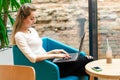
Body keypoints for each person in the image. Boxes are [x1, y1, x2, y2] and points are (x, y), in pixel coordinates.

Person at [11, 3, 93, 78]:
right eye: (31, 19)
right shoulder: (19, 36)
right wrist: (55, 56)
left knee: (85, 61)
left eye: (35, 18)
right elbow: (33, 58)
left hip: (50, 61)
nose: (34, 21)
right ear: (23, 18)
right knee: (87, 61)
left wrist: (54, 51)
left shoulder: (32, 31)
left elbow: (40, 53)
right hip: (46, 67)